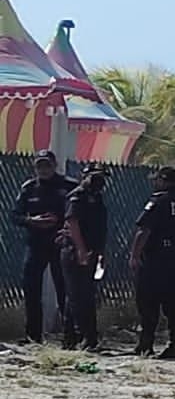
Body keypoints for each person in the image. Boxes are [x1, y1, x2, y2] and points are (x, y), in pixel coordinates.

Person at [129, 166, 175, 358]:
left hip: (155, 258)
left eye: (156, 180)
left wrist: (135, 256)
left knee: (148, 301)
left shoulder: (158, 202)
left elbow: (144, 230)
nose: (154, 183)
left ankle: (146, 344)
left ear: (163, 180)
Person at [10, 150, 77, 343]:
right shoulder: (30, 188)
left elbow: (78, 215)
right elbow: (15, 215)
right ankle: (33, 335)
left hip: (60, 244)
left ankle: (70, 336)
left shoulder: (68, 186)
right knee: (31, 288)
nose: (43, 169)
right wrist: (32, 221)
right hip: (36, 244)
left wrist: (61, 226)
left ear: (54, 166)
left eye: (47, 165)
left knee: (65, 289)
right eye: (40, 166)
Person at [60, 164, 110, 351]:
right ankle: (87, 338)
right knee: (80, 297)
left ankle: (71, 338)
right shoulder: (78, 196)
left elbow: (100, 229)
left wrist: (102, 252)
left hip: (92, 251)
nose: (99, 181)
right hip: (76, 252)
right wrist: (81, 250)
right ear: (84, 176)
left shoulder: (97, 198)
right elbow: (72, 223)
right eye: (95, 177)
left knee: (79, 295)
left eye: (102, 178)